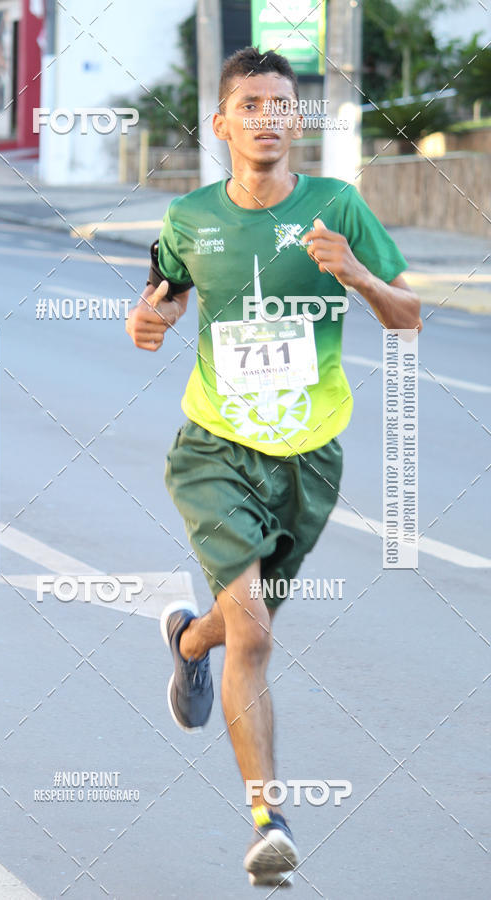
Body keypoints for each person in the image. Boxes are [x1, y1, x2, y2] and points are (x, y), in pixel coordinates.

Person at [126, 46, 421, 888]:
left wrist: (357, 274)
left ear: (298, 120)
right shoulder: (188, 217)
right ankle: (269, 822)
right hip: (216, 447)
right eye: (248, 104)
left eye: (280, 104)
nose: (267, 117)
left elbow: (409, 317)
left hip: (310, 456)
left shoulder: (339, 205)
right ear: (222, 124)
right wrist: (145, 321)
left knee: (240, 621)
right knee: (252, 628)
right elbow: (164, 291)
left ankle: (186, 639)